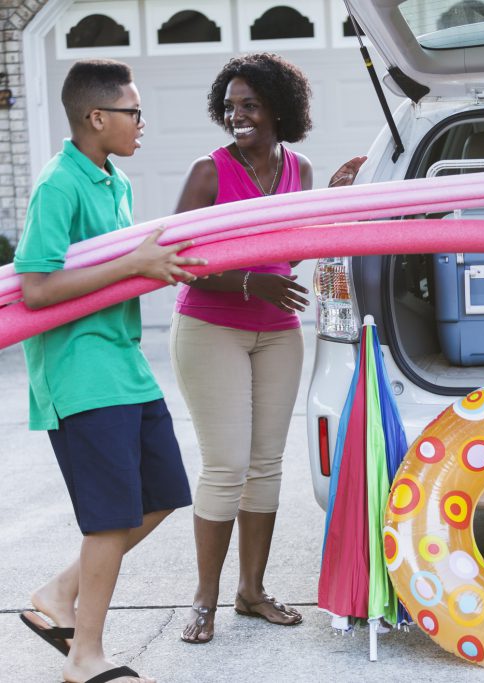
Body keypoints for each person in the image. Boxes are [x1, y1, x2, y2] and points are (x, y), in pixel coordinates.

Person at [15, 59, 205, 683]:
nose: (143, 123)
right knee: (109, 518)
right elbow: (38, 288)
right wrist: (134, 267)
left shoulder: (112, 180)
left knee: (165, 494)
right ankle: (85, 656)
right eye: (135, 112)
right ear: (97, 117)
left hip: (124, 363)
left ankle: (59, 594)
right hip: (80, 371)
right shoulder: (58, 185)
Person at [172, 52, 365, 645]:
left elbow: (289, 252)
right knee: (226, 465)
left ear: (279, 108)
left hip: (277, 333)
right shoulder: (210, 171)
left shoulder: (298, 168)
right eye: (230, 107)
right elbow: (177, 260)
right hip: (211, 328)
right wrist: (250, 282)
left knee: (266, 466)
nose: (238, 116)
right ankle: (203, 599)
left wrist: (329, 200)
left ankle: (251, 591)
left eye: (249, 105)